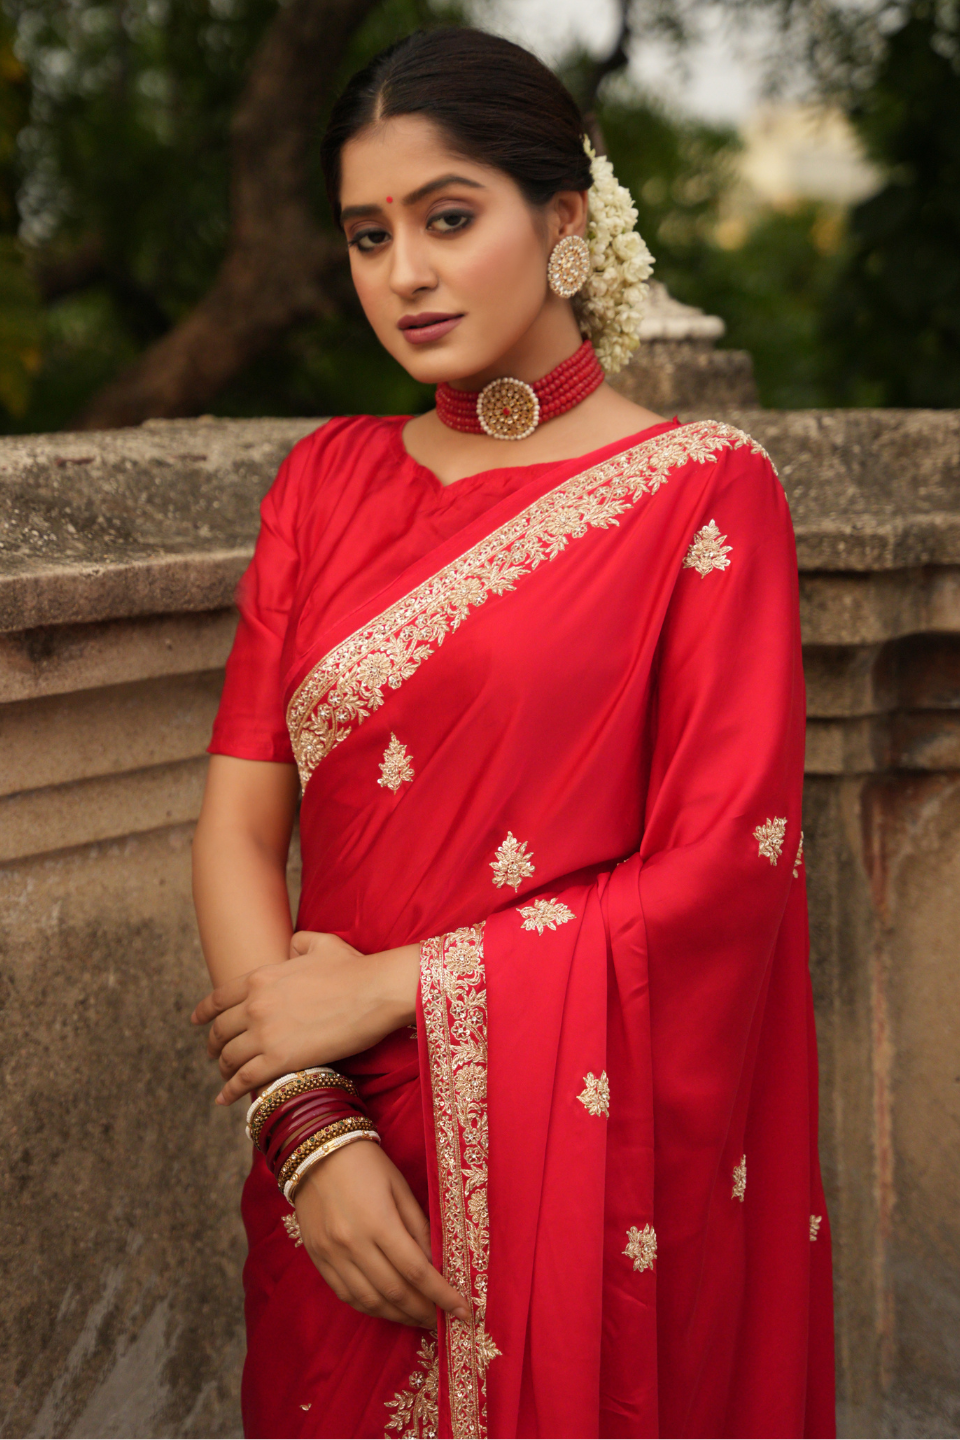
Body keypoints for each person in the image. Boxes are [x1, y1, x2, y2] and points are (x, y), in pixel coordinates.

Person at [190, 26, 835, 1440]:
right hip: (343, 1151)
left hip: (585, 1159)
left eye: (448, 218)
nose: (404, 273)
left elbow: (727, 871)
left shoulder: (701, 495)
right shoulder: (323, 483)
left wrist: (393, 988)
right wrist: (306, 1126)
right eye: (369, 236)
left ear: (561, 220)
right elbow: (242, 825)